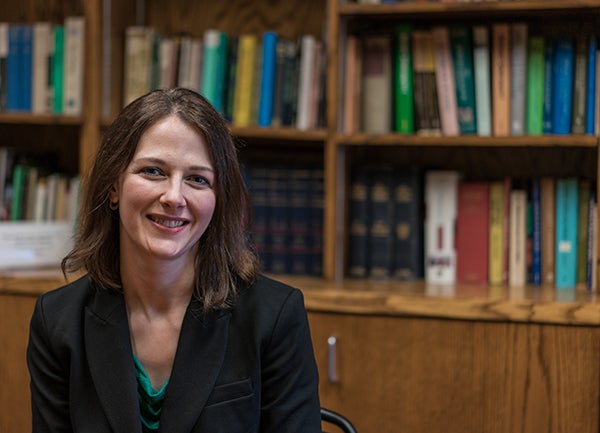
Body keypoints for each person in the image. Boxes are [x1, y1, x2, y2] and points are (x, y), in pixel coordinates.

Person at [27, 88, 322, 433]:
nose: (174, 197)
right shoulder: (58, 321)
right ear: (113, 186)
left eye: (198, 179)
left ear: (218, 200)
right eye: (153, 171)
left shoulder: (274, 318)